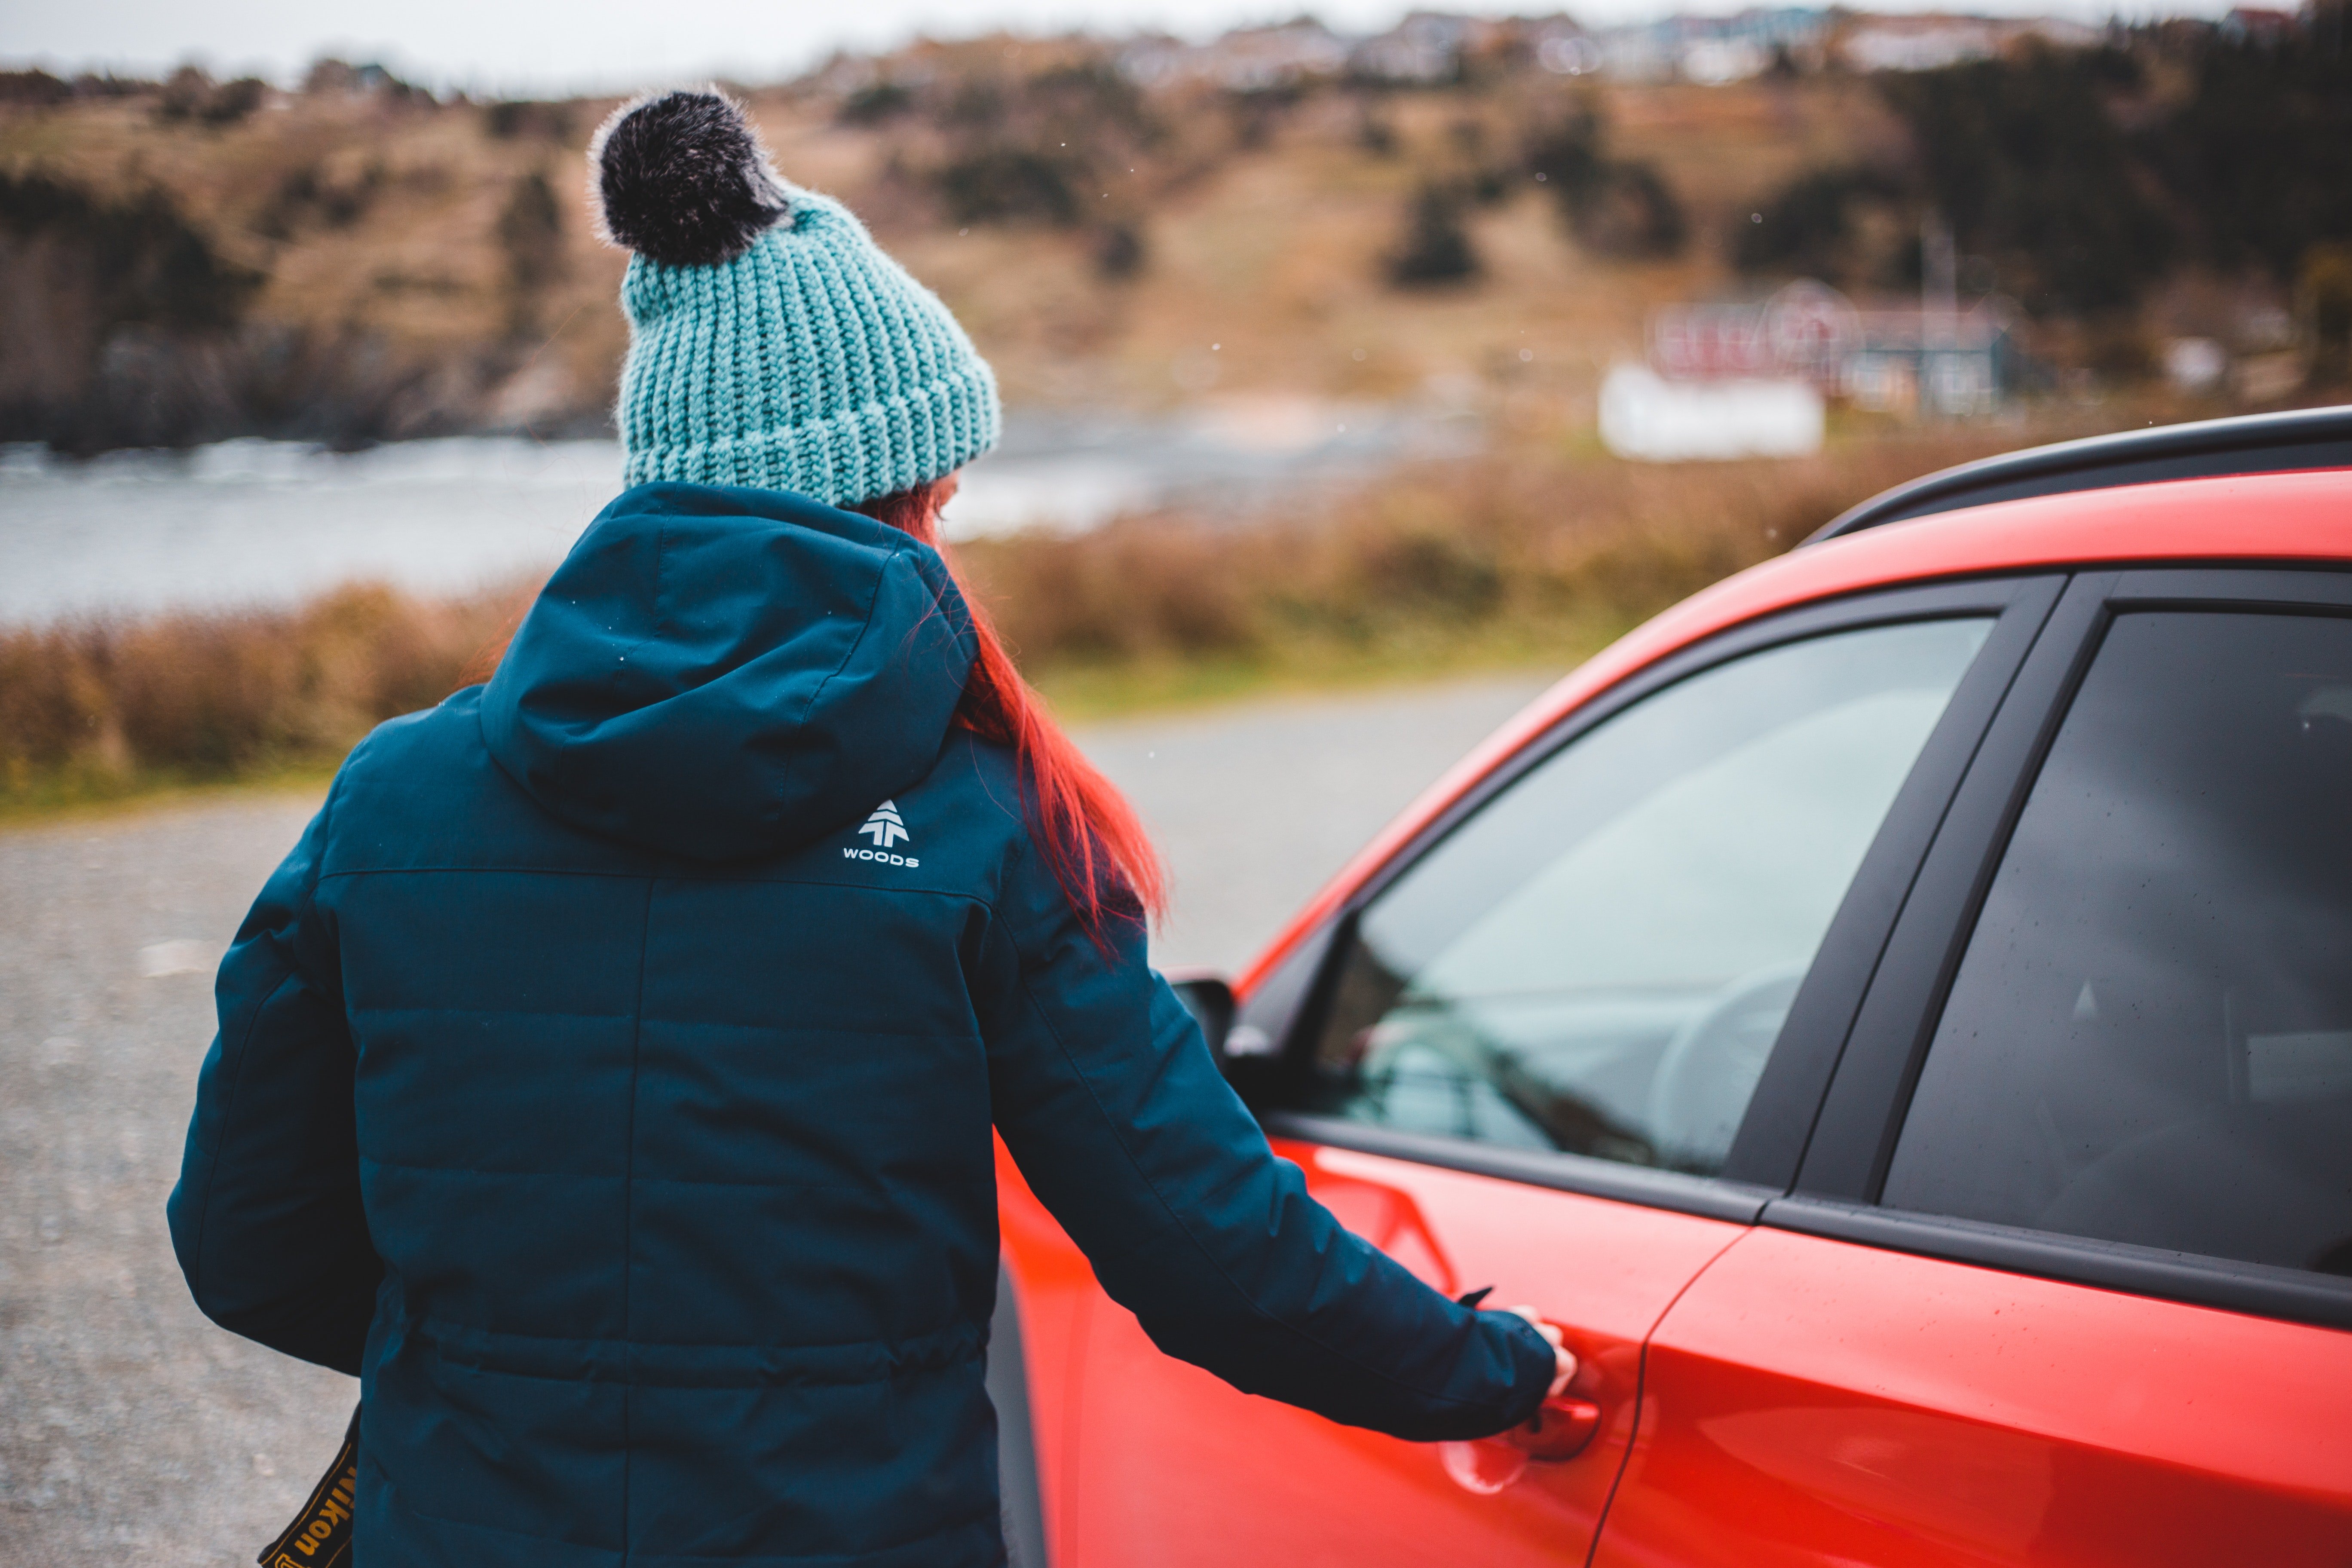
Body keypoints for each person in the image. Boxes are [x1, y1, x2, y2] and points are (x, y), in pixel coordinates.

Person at [168, 89, 1569, 1567]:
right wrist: (1494, 1372)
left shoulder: (390, 799)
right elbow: (1210, 1249)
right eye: (944, 495)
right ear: (902, 494)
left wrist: (496, 1377)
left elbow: (245, 1237)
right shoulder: (993, 826)